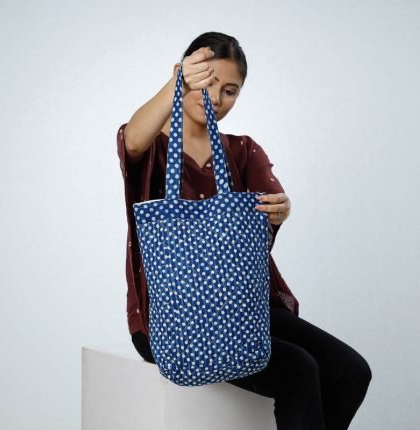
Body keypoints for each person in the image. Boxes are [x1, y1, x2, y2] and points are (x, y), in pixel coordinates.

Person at [116, 31, 372, 430]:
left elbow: (268, 212)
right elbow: (131, 140)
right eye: (207, 81)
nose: (216, 98)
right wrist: (177, 83)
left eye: (230, 91)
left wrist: (280, 211)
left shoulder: (242, 150)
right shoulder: (152, 146)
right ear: (183, 74)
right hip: (176, 316)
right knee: (300, 369)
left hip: (244, 304)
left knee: (351, 371)